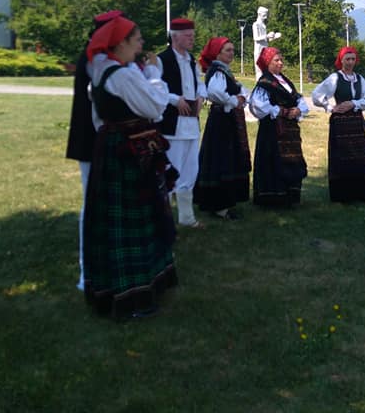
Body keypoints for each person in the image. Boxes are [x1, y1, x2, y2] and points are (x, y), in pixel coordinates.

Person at [82, 16, 176, 320]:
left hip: (112, 147)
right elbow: (156, 106)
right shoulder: (122, 76)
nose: (141, 44)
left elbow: (99, 119)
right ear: (120, 43)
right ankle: (135, 294)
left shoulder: (100, 69)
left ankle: (114, 289)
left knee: (115, 222)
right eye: (136, 39)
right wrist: (154, 72)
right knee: (135, 219)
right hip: (128, 152)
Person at [66, 9, 123, 291]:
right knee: (93, 204)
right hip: (92, 142)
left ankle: (105, 264)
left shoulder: (99, 57)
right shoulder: (94, 59)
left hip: (99, 140)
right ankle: (88, 271)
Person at [158, 18, 208, 229]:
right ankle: (165, 221)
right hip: (172, 125)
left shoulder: (191, 60)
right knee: (171, 172)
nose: (192, 39)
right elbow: (154, 87)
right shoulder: (162, 60)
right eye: (188, 36)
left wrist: (201, 96)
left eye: (193, 35)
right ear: (175, 37)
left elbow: (199, 83)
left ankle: (187, 217)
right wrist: (174, 99)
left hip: (191, 125)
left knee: (190, 172)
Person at [195, 36, 251, 220]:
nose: (231, 53)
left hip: (225, 120)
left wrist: (240, 96)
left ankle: (224, 204)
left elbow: (237, 89)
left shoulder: (223, 71)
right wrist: (233, 100)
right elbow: (214, 92)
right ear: (217, 53)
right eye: (228, 50)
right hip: (221, 121)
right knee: (222, 159)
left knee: (226, 158)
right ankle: (219, 205)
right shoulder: (218, 71)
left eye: (233, 50)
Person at [311, 46, 365, 203]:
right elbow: (317, 95)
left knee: (359, 155)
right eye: (347, 59)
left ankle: (360, 194)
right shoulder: (335, 78)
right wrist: (330, 107)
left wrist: (354, 103)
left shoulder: (360, 79)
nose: (350, 62)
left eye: (353, 59)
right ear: (341, 60)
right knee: (342, 155)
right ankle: (342, 194)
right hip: (340, 124)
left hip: (356, 122)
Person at [250, 47, 309, 207]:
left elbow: (299, 99)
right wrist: (281, 111)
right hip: (272, 130)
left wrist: (298, 110)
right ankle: (273, 198)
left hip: (290, 130)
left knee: (291, 159)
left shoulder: (285, 81)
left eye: (281, 60)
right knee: (274, 160)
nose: (280, 63)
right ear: (267, 63)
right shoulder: (265, 83)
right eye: (276, 60)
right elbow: (258, 105)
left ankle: (290, 196)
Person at [252, 6, 281, 79]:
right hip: (259, 50)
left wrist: (274, 37)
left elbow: (265, 40)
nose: (265, 17)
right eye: (264, 15)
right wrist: (267, 36)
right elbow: (256, 38)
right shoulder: (256, 24)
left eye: (266, 15)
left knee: (266, 70)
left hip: (265, 50)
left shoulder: (263, 25)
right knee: (259, 70)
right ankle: (259, 84)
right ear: (259, 14)